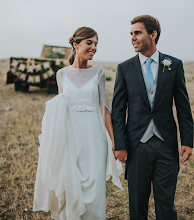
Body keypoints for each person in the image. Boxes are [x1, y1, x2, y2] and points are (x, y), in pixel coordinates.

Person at [33, 27, 123, 220]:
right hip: (68, 137)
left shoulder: (99, 73)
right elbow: (58, 108)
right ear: (76, 44)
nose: (94, 47)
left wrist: (115, 141)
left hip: (93, 137)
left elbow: (106, 109)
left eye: (96, 44)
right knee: (70, 185)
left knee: (94, 187)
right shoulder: (62, 74)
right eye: (89, 43)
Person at [112, 15, 194, 219]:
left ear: (153, 34)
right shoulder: (125, 68)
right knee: (137, 206)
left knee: (166, 206)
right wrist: (120, 144)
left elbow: (183, 106)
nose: (133, 38)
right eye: (131, 34)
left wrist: (187, 141)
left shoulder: (174, 65)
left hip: (166, 144)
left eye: (137, 33)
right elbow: (119, 110)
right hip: (137, 145)